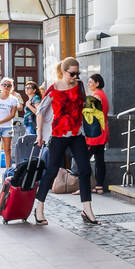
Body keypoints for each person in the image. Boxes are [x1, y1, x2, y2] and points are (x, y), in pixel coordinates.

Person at [33, 58, 99, 226]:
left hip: (77, 134)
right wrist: (39, 135)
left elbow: (84, 106)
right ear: (64, 72)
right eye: (72, 73)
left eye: (78, 73)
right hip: (58, 135)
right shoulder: (54, 89)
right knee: (52, 171)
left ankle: (87, 210)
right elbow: (40, 111)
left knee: (84, 170)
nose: (75, 76)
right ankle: (39, 208)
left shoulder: (80, 86)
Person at [86, 73, 110, 194]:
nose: (88, 84)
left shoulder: (96, 96)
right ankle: (99, 186)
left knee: (83, 160)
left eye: (90, 82)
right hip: (102, 130)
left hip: (94, 133)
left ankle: (84, 187)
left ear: (97, 83)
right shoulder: (102, 95)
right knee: (99, 160)